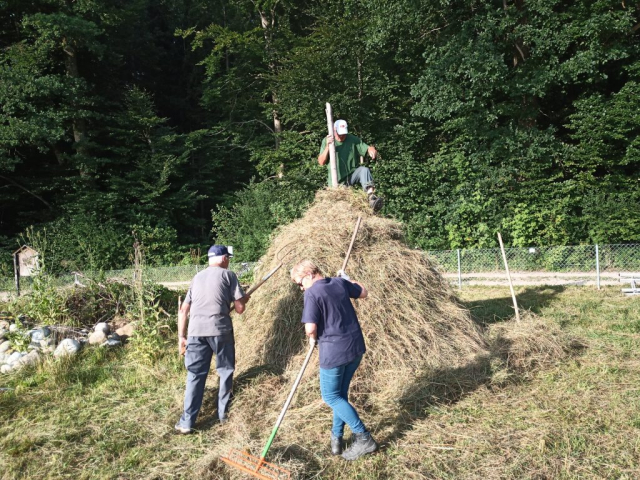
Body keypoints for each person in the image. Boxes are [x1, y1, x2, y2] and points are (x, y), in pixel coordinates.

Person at [290, 260, 378, 460]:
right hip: (355, 348)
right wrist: (349, 280)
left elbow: (310, 328)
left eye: (299, 283)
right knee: (340, 395)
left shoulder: (312, 293)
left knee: (330, 396)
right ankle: (337, 439)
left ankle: (363, 437)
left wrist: (312, 338)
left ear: (309, 274)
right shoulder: (339, 283)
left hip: (335, 352)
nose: (301, 287)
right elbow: (363, 292)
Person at [174, 245, 250, 434]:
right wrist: (244, 298)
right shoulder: (228, 275)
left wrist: (181, 337)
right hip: (220, 330)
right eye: (228, 258)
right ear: (224, 258)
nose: (229, 261)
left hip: (195, 332)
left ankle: (187, 422)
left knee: (195, 375)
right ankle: (223, 415)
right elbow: (240, 309)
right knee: (224, 371)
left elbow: (184, 310)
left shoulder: (197, 277)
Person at [317, 119, 384, 211]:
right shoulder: (327, 140)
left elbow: (367, 147)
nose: (342, 136)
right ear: (334, 130)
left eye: (344, 134)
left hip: (351, 176)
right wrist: (328, 147)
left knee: (364, 170)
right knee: (339, 208)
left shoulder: (352, 139)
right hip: (336, 181)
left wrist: (371, 149)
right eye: (339, 134)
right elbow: (321, 162)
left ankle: (371, 198)